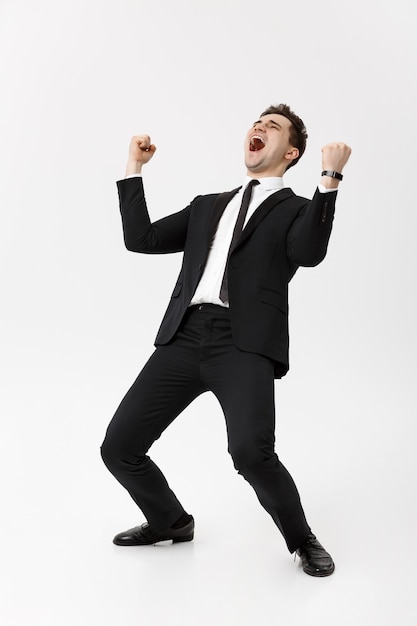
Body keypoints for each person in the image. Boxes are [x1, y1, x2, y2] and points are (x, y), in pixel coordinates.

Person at [101, 103, 351, 577]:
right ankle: (169, 522)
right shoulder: (207, 205)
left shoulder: (298, 209)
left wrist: (329, 181)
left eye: (272, 127)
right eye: (256, 123)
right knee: (118, 446)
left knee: (250, 454)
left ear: (291, 151)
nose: (259, 128)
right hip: (183, 335)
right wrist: (134, 167)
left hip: (244, 343)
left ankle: (302, 539)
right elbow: (142, 238)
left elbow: (309, 253)